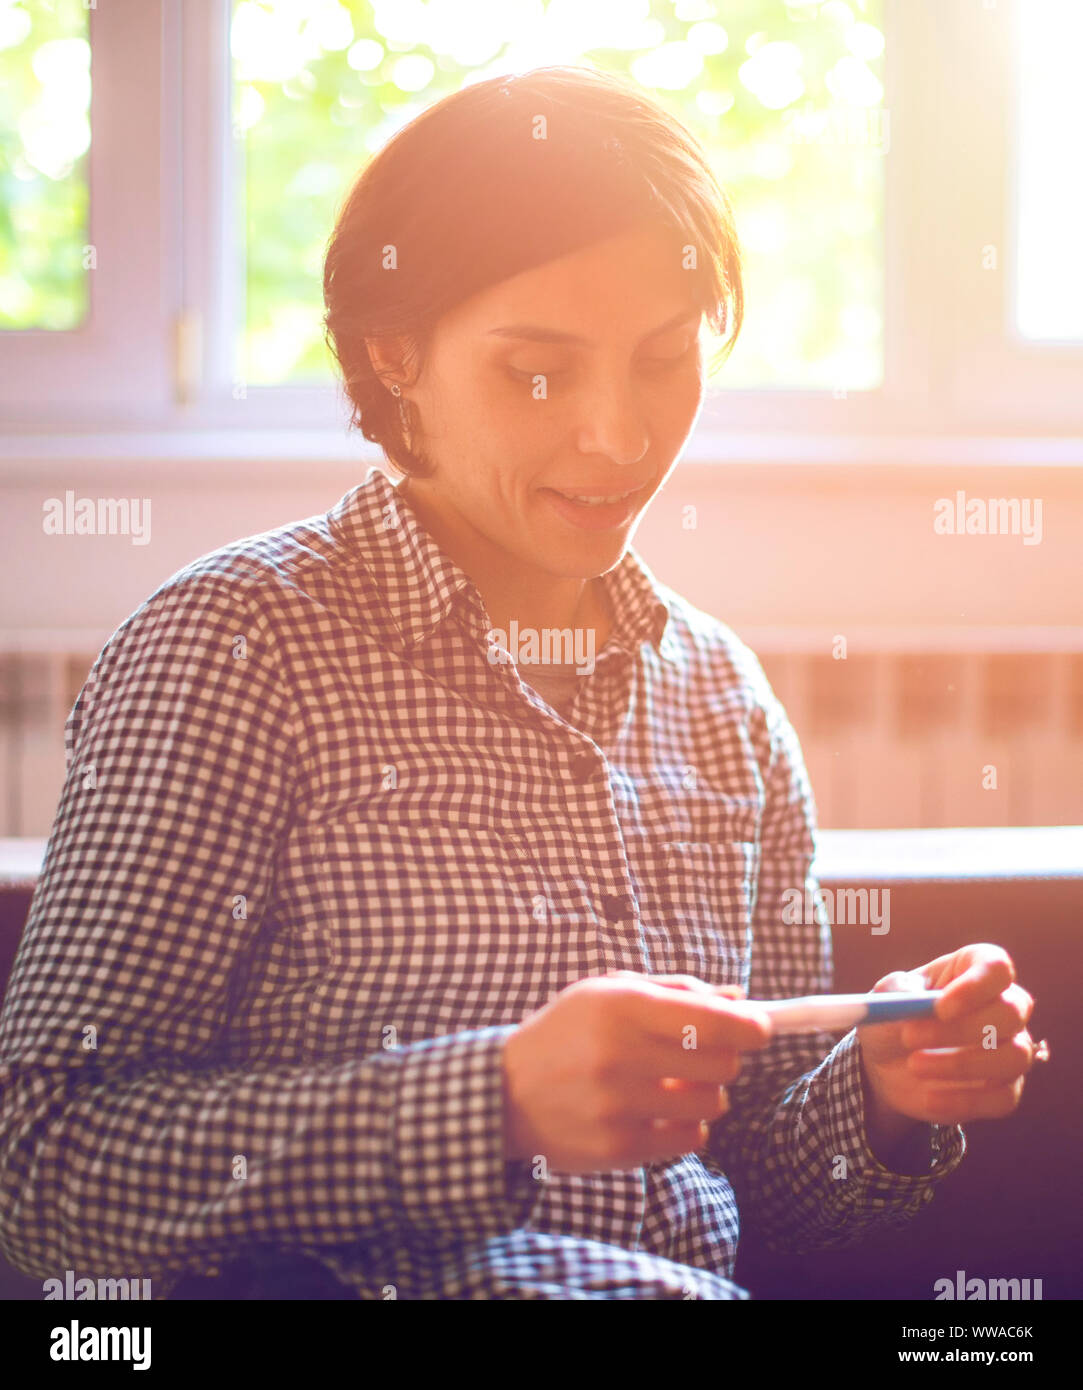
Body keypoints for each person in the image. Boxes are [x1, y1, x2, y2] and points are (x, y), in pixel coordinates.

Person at [0, 65, 1041, 1301]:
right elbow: (42, 1170)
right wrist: (486, 1105)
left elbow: (752, 1190)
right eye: (538, 370)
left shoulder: (722, 702)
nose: (618, 435)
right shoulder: (232, 650)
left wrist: (881, 1095)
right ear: (396, 359)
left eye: (664, 358)